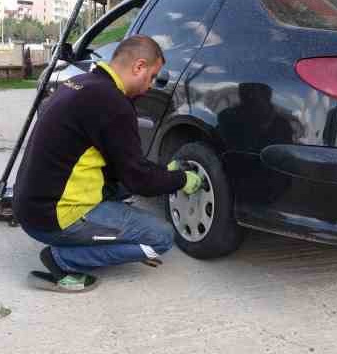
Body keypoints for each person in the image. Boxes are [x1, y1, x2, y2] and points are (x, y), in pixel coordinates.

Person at [12, 35, 203, 293]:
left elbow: (121, 167)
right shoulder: (113, 104)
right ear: (139, 67)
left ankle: (78, 238)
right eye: (150, 77)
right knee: (160, 237)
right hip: (54, 216)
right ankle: (62, 259)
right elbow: (139, 180)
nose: (149, 87)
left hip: (30, 206)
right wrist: (180, 179)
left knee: (125, 188)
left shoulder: (79, 83)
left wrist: (160, 173)